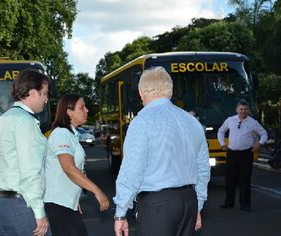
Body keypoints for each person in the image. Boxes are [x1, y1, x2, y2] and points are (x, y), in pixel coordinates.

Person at [113, 67, 210, 236]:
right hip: (189, 202)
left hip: (157, 206)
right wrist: (198, 205)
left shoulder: (142, 122)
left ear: (141, 92)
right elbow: (202, 168)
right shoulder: (192, 121)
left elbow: (132, 171)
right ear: (170, 92)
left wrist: (120, 212)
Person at [0, 69, 50, 236]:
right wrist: (39, 213)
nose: (46, 99)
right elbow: (30, 172)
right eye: (44, 94)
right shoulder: (26, 122)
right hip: (22, 208)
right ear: (32, 93)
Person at [44, 94, 109, 236]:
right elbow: (69, 168)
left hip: (67, 205)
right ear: (69, 112)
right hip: (58, 205)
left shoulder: (70, 134)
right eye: (82, 107)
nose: (87, 110)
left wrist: (74, 199)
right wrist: (96, 190)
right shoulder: (61, 134)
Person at [218, 100, 268, 212]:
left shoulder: (253, 122)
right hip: (232, 153)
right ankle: (229, 202)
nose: (243, 111)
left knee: (244, 180)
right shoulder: (230, 120)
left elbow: (264, 133)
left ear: (248, 110)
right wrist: (222, 144)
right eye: (241, 109)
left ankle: (245, 204)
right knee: (229, 179)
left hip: (246, 153)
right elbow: (221, 131)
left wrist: (259, 144)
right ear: (237, 110)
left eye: (245, 109)